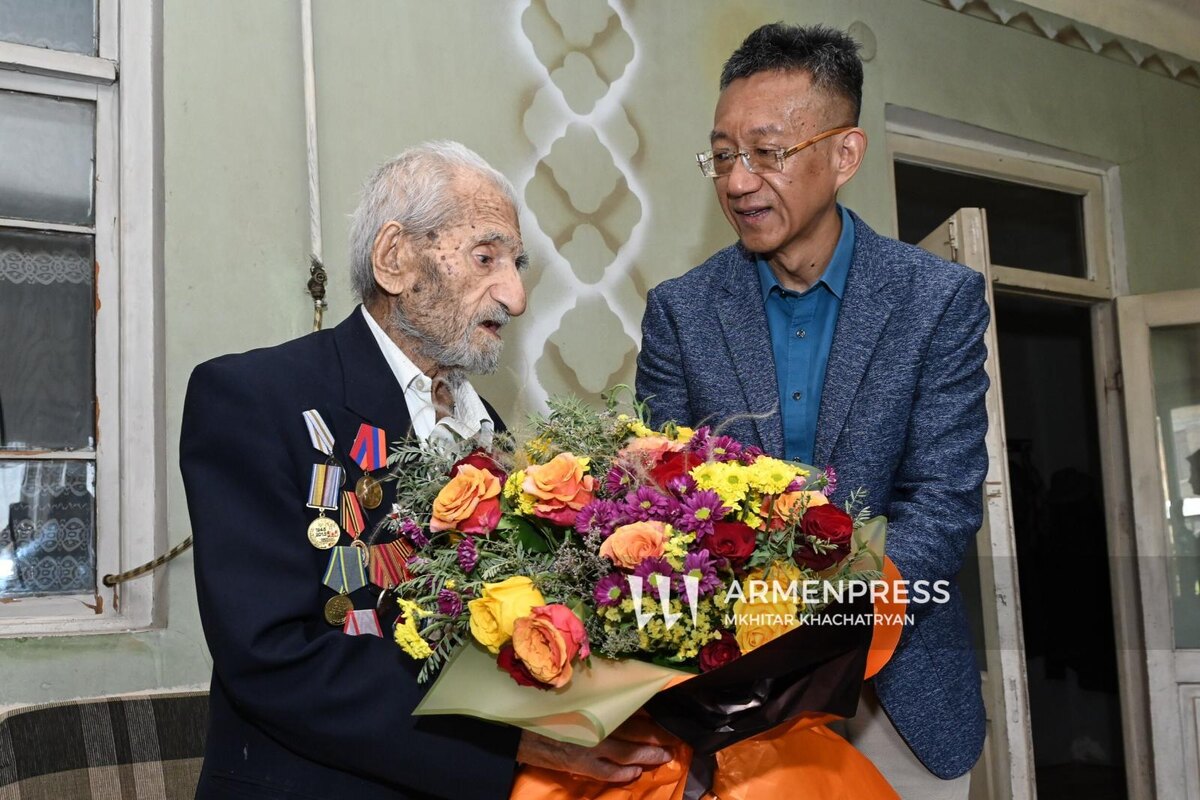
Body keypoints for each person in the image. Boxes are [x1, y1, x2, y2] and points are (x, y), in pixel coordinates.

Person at [181, 141, 670, 799]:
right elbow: (273, 656)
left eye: (518, 264)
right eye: (486, 257)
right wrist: (510, 743)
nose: (516, 297)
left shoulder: (487, 427)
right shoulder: (255, 399)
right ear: (394, 259)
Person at [636, 24, 989, 799]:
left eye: (768, 152)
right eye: (723, 156)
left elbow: (943, 501)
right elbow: (660, 506)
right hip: (729, 697)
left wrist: (829, 627)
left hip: (894, 695)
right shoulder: (681, 313)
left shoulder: (937, 301)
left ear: (845, 155)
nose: (738, 181)